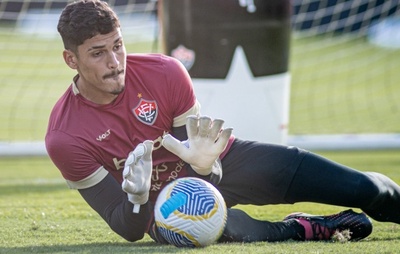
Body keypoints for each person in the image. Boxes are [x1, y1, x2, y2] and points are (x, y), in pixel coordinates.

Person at [46, 0, 399, 245]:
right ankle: (306, 228)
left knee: (362, 188)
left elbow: (205, 163)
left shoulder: (165, 72)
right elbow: (127, 229)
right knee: (238, 230)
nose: (115, 62)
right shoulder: (65, 137)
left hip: (222, 163)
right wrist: (137, 198)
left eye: (118, 46)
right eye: (98, 53)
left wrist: (207, 167)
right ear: (70, 59)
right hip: (165, 208)